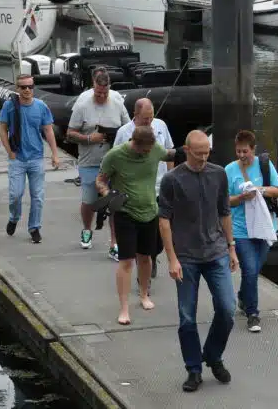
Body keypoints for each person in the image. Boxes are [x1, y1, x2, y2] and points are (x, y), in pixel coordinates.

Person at [158, 130, 238, 393]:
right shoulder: (172, 179)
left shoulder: (218, 174)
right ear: (186, 150)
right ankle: (193, 369)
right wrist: (171, 258)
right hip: (186, 256)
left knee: (227, 309)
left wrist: (231, 247)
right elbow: (164, 220)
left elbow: (224, 212)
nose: (203, 158)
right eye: (198, 154)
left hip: (216, 251)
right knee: (186, 317)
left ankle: (213, 355)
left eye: (207, 153)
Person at [96, 126, 177, 325]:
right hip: (126, 213)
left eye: (150, 150)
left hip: (150, 212)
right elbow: (100, 180)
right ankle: (124, 308)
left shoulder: (155, 149)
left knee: (146, 258)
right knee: (126, 261)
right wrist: (107, 194)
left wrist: (193, 150)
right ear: (135, 143)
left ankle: (143, 295)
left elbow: (171, 155)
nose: (147, 153)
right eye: (144, 150)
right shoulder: (115, 155)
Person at [67, 67, 130, 256]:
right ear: (93, 87)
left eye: (104, 93)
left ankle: (115, 242)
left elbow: (128, 129)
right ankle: (87, 229)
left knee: (115, 202)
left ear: (109, 88)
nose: (101, 96)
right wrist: (88, 138)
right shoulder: (82, 104)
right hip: (90, 161)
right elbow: (69, 133)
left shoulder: (117, 102)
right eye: (98, 93)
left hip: (114, 163)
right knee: (89, 200)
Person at [225, 130, 278, 333]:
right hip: (241, 229)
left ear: (253, 149)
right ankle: (253, 314)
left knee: (254, 271)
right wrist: (241, 198)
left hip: (264, 226)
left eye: (245, 151)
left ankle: (243, 296)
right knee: (250, 270)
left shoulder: (264, 164)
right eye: (238, 151)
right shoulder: (229, 170)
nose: (242, 155)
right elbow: (224, 201)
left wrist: (259, 190)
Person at [114, 98, 174, 278]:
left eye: (151, 117)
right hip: (135, 191)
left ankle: (152, 255)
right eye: (145, 118)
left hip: (159, 186)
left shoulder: (160, 126)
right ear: (135, 114)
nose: (149, 121)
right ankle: (144, 262)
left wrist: (171, 178)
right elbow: (115, 159)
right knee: (141, 231)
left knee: (159, 232)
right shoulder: (124, 132)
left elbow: (169, 152)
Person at [0, 74, 60, 244]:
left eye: (30, 87)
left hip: (36, 158)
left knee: (37, 196)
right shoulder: (9, 106)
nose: (27, 90)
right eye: (23, 87)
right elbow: (2, 129)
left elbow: (48, 130)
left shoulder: (41, 107)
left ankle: (34, 227)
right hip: (17, 158)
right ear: (17, 88)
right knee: (15, 194)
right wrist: (9, 151)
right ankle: (14, 217)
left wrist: (55, 154)